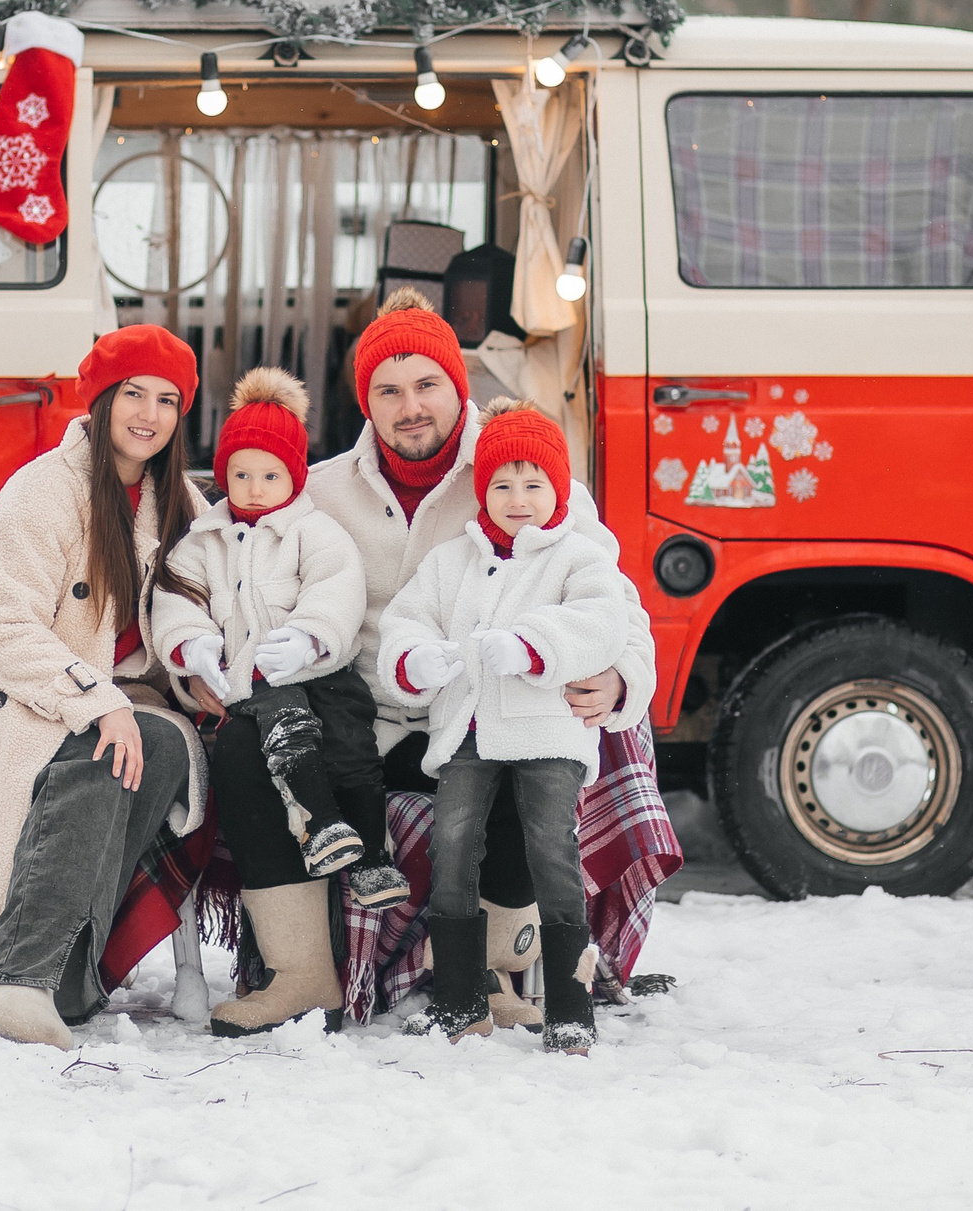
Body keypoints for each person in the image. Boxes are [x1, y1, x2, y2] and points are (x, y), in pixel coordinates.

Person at [208, 287, 655, 1034]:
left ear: (458, 385)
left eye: (427, 385)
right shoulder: (315, 492)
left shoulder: (532, 475)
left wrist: (619, 678)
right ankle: (300, 972)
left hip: (485, 705)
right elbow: (251, 585)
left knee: (532, 737)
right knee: (247, 739)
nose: (410, 406)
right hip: (370, 720)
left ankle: (501, 967)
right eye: (388, 389)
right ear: (367, 401)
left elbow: (617, 607)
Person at [0, 324, 212, 1049]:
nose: (149, 414)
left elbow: (195, 619)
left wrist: (206, 681)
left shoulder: (181, 503)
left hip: (105, 699)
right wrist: (98, 700)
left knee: (162, 745)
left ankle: (67, 971)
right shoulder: (42, 489)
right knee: (113, 741)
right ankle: (13, 975)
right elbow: (4, 631)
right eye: (133, 392)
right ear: (101, 399)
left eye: (168, 399)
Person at [379, 401, 631, 1054]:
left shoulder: (577, 556)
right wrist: (416, 656)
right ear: (482, 489)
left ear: (558, 487)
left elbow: (603, 621)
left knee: (553, 848)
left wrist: (531, 645)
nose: (518, 498)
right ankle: (460, 1000)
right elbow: (407, 617)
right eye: (502, 484)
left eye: (533, 483)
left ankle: (571, 1008)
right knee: (453, 843)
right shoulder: (451, 559)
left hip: (548, 730)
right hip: (467, 729)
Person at [153, 370, 409, 957]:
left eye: (271, 475)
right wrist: (191, 644)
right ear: (222, 477)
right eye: (240, 475)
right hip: (254, 682)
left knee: (352, 749)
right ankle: (319, 823)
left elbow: (337, 590)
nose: (255, 488)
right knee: (284, 736)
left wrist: (309, 636)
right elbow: (177, 596)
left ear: (294, 475)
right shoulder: (203, 540)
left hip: (323, 675)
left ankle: (370, 853)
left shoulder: (314, 533)